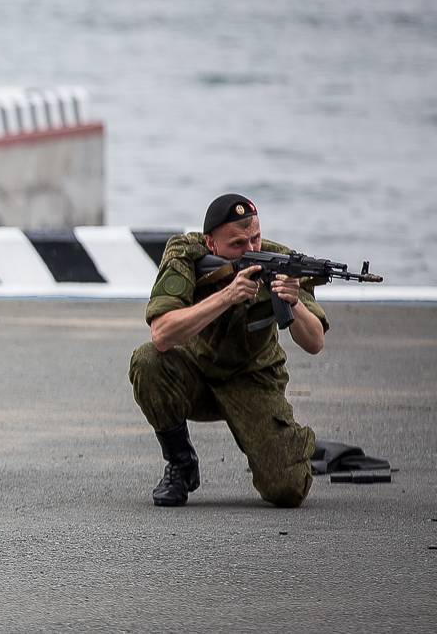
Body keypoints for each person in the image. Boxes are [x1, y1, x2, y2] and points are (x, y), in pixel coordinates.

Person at [128, 194, 327, 508]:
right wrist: (226, 297)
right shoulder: (185, 254)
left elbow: (314, 342)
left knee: (287, 490)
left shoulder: (282, 262)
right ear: (211, 243)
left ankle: (291, 442)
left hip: (253, 381)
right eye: (237, 244)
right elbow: (161, 334)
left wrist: (294, 302)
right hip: (195, 377)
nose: (251, 251)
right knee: (147, 361)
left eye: (255, 239)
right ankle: (181, 466)